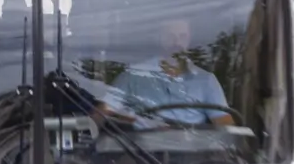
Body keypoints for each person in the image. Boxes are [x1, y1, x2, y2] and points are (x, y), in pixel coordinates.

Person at [99, 17, 234, 128]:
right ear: (160, 38)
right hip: (143, 153)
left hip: (193, 154)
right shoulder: (133, 75)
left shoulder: (206, 81)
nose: (177, 42)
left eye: (182, 37)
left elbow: (225, 126)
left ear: (189, 40)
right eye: (170, 36)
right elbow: (102, 112)